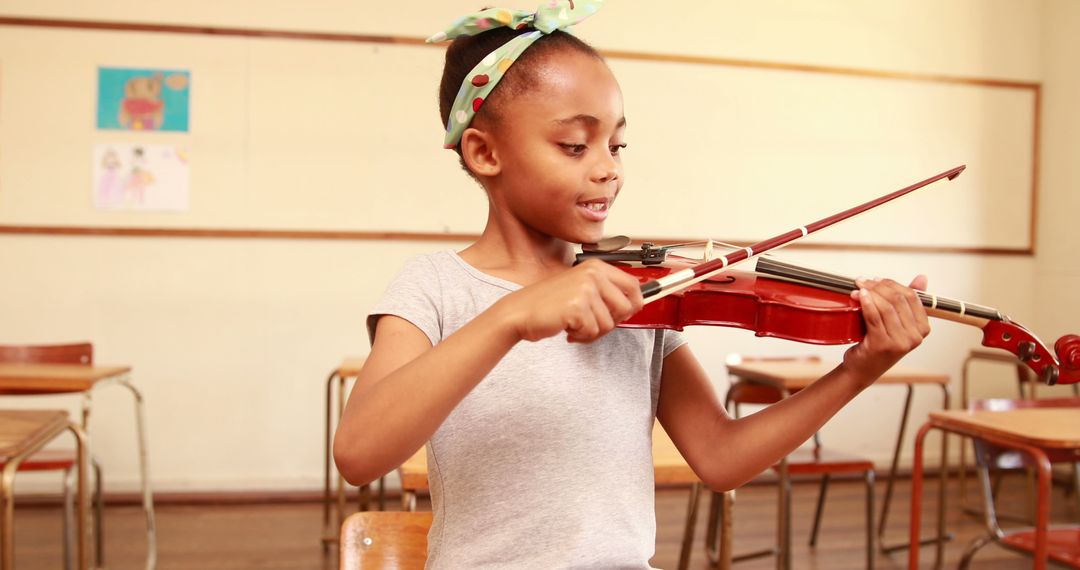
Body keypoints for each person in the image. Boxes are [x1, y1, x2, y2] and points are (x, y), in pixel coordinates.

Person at [333, 2, 931, 567]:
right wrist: (511, 316)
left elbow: (721, 457)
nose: (608, 167)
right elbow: (360, 453)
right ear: (485, 152)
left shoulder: (640, 295)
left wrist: (857, 370)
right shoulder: (435, 287)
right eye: (574, 145)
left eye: (617, 144)